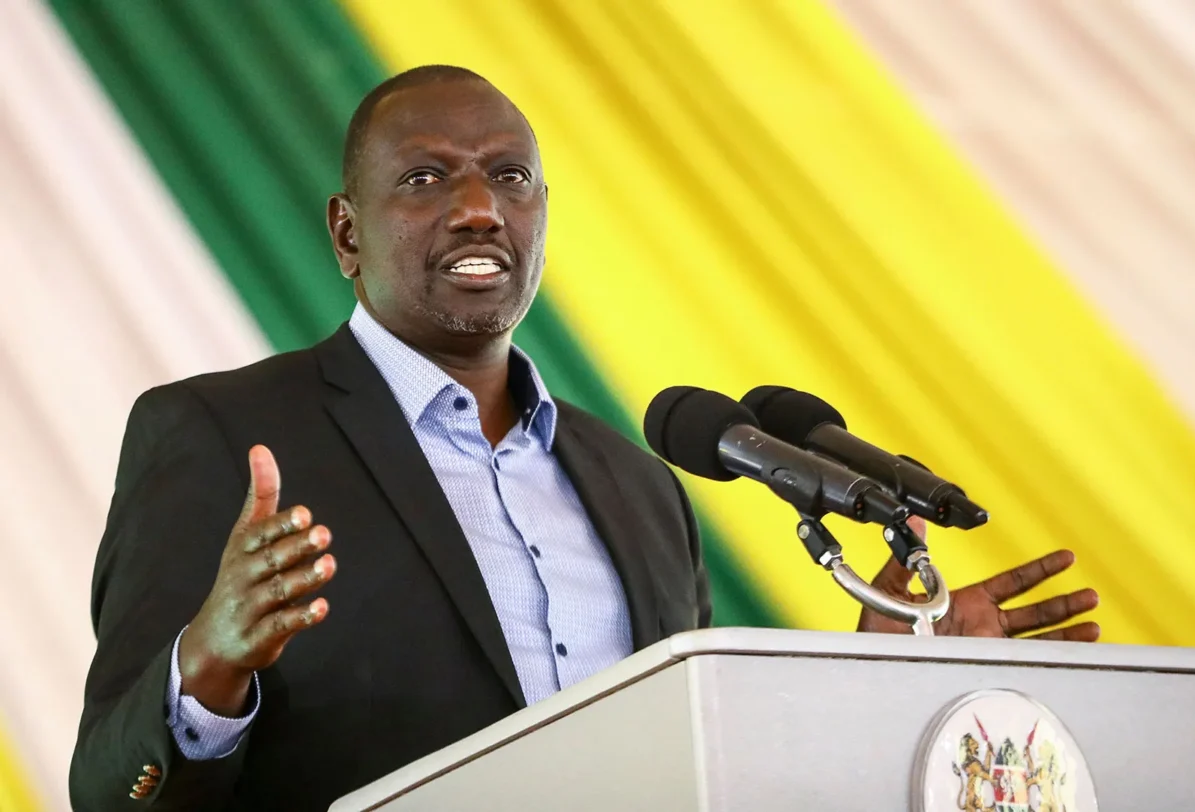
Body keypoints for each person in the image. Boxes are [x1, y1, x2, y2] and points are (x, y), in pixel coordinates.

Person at [68, 65, 1099, 811]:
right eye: (426, 179)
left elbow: (699, 767)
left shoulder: (640, 484)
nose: (478, 206)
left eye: (509, 176)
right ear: (347, 231)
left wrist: (867, 694)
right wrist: (202, 669)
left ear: (543, 215)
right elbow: (106, 789)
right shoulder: (219, 435)